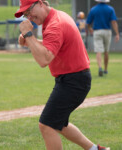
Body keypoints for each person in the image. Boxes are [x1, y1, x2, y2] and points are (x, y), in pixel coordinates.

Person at [15, 0, 110, 150]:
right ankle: (95, 149)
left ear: (40, 3)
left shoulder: (54, 24)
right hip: (74, 78)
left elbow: (44, 60)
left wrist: (29, 35)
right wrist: (30, 41)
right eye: (25, 14)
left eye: (29, 11)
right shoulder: (57, 17)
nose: (29, 17)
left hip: (73, 80)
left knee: (46, 125)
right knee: (59, 123)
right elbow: (54, 44)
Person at [86, 0, 119, 77]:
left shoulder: (93, 9)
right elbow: (114, 22)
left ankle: (100, 67)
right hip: (107, 31)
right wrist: (117, 33)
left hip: (97, 31)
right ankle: (105, 69)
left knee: (98, 51)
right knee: (106, 51)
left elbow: (88, 23)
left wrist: (90, 29)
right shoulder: (110, 9)